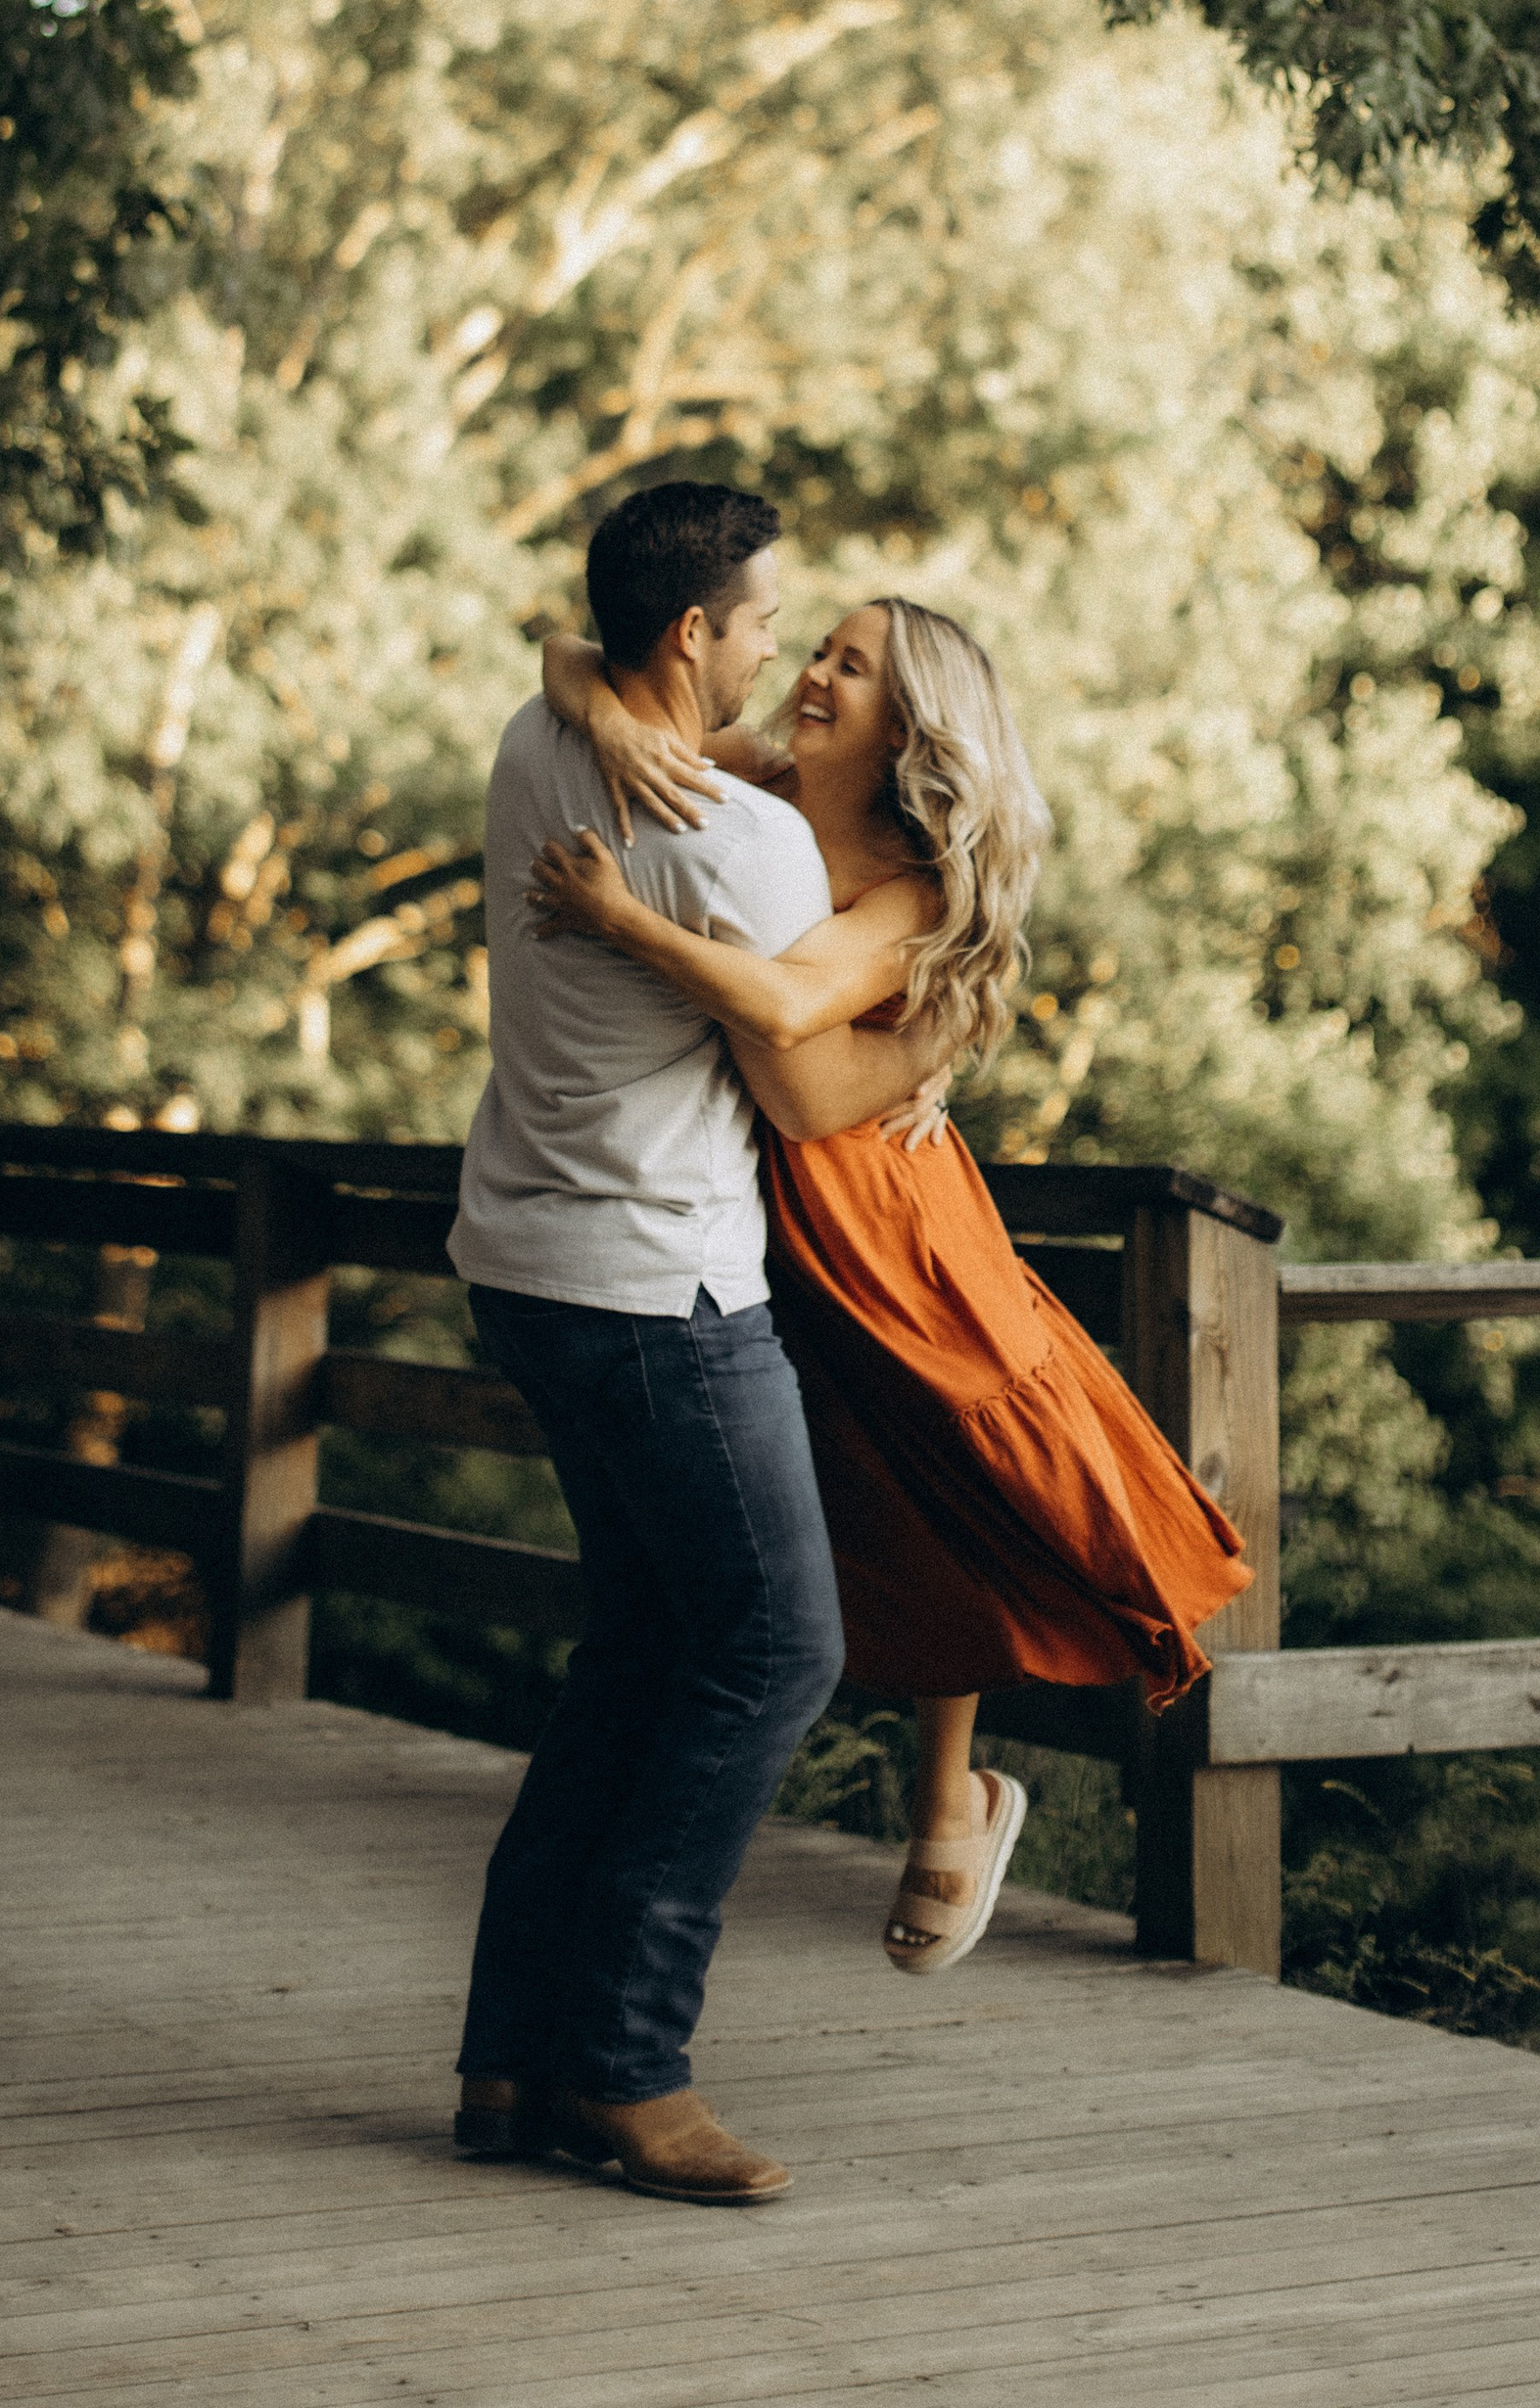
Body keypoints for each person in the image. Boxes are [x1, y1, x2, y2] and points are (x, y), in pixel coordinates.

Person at [530, 591, 1256, 1976]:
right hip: (772, 1201)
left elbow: (797, 1028)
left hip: (882, 1208)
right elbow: (567, 653)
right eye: (814, 651)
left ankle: (953, 1796)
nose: (810, 676)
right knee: (862, 1475)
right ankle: (949, 1796)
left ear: (909, 721)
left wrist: (617, 920)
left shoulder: (911, 879)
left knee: (958, 1450)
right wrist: (612, 727)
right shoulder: (759, 773)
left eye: (847, 667)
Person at [446, 485, 949, 2206]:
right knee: (776, 1651)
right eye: (760, 625)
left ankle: (513, 2057)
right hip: (659, 1294)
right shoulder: (746, 853)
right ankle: (625, 2070)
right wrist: (945, 1053)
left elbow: (568, 660)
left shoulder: (536, 740)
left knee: (643, 1650)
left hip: (522, 1261)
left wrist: (583, 680)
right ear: (692, 637)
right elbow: (809, 1082)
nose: (775, 653)